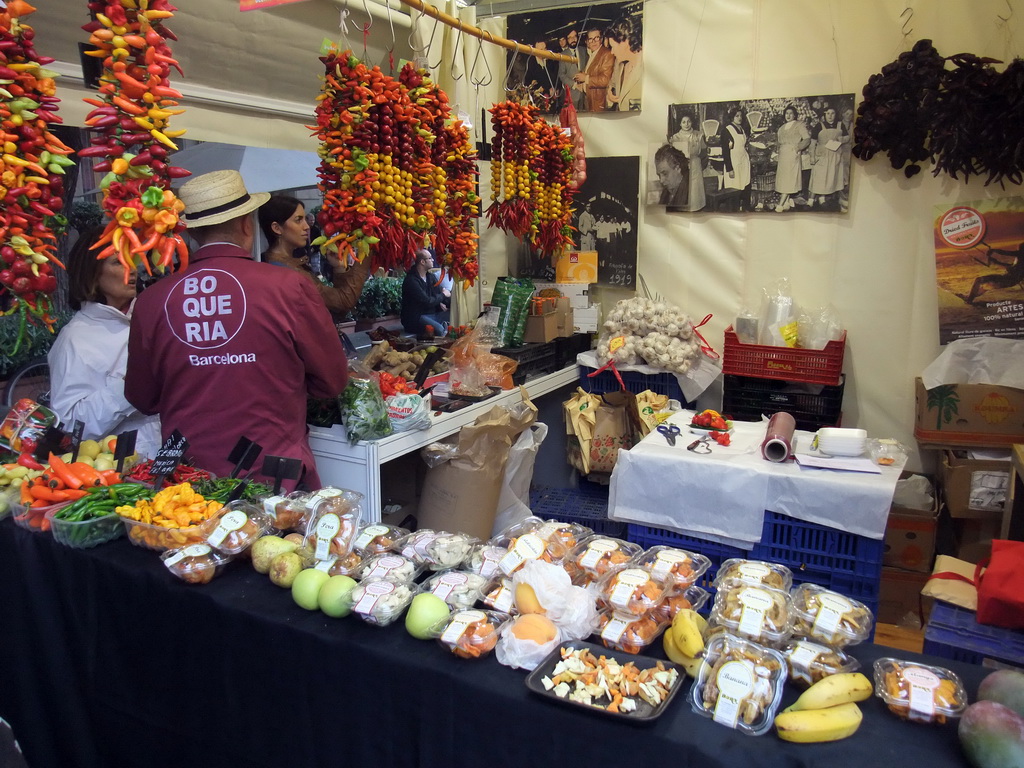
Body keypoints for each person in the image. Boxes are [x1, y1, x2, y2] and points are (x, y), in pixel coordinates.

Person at [124, 170, 348, 489]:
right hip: (274, 473)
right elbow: (332, 380)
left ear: (194, 233)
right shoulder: (288, 287)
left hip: (188, 481)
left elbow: (141, 397)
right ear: (247, 225)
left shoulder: (151, 301)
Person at [47, 226, 162, 458]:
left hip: (168, 457)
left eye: (132, 258)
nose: (131, 269)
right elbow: (70, 429)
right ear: (92, 273)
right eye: (118, 262)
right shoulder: (75, 339)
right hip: (120, 471)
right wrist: (130, 383)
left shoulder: (149, 316)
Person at [258, 195, 370, 321]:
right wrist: (365, 253)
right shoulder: (291, 272)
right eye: (298, 220)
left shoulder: (278, 262)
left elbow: (336, 307)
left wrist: (338, 268)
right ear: (277, 228)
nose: (306, 226)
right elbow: (344, 301)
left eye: (305, 219)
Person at [401, 248, 449, 336]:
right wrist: (443, 294)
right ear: (422, 262)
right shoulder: (411, 281)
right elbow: (427, 301)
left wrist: (451, 302)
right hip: (416, 319)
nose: (433, 260)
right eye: (430, 258)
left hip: (433, 315)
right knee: (440, 329)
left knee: (454, 316)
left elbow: (438, 295)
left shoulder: (430, 277)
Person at [808, 107, 850, 208]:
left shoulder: (840, 125)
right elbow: (812, 143)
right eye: (828, 113)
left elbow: (848, 137)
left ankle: (822, 198)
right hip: (822, 155)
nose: (830, 116)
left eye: (833, 113)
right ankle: (810, 200)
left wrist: (842, 139)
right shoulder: (819, 126)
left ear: (836, 115)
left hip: (835, 155)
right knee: (819, 177)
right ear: (824, 115)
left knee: (829, 177)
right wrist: (812, 157)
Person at [957, 242, 1024, 305]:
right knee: (988, 286)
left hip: (1007, 280)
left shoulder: (1020, 254)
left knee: (979, 280)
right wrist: (996, 262)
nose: (1017, 250)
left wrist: (994, 250)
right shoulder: (1020, 260)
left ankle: (969, 300)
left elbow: (1005, 253)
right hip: (1008, 280)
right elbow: (1011, 267)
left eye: (1019, 249)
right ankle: (970, 297)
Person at [774, 105, 811, 212]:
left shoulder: (799, 125)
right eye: (786, 113)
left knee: (789, 179)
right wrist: (776, 153)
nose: (788, 115)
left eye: (791, 113)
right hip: (783, 155)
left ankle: (780, 205)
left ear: (794, 115)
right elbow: (778, 142)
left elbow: (807, 139)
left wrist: (797, 148)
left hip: (792, 154)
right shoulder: (781, 128)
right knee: (783, 178)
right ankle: (786, 202)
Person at [669, 113, 707, 211]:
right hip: (681, 165)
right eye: (684, 122)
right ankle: (683, 208)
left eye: (689, 121)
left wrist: (700, 161)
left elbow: (703, 149)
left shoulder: (698, 135)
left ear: (692, 122)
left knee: (695, 189)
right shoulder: (675, 137)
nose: (686, 124)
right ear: (680, 124)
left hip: (695, 163)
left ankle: (697, 207)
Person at [604, 16, 643, 111]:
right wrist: (609, 96)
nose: (612, 52)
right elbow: (612, 85)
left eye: (613, 46)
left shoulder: (648, 67)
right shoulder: (619, 64)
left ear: (626, 42)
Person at [573, 28, 615, 112]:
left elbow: (606, 80)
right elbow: (593, 73)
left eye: (596, 38)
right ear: (587, 42)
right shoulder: (593, 54)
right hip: (590, 100)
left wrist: (586, 78)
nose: (594, 41)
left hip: (599, 102)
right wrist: (581, 80)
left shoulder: (606, 54)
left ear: (601, 39)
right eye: (590, 39)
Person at [720, 106, 752, 212]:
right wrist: (729, 169)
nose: (739, 118)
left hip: (743, 161)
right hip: (733, 162)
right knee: (734, 187)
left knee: (745, 184)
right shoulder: (727, 130)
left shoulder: (742, 129)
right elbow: (725, 151)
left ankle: (745, 208)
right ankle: (733, 210)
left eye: (740, 116)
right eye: (736, 116)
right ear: (731, 117)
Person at [557, 29, 585, 111]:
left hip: (585, 94)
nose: (573, 39)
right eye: (570, 37)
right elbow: (561, 75)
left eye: (575, 36)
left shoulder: (584, 50)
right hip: (572, 95)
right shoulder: (563, 55)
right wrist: (575, 85)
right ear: (567, 40)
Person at [654, 144, 689, 209]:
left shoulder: (691, 193)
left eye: (665, 174)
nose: (661, 180)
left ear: (677, 168)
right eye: (659, 175)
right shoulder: (667, 192)